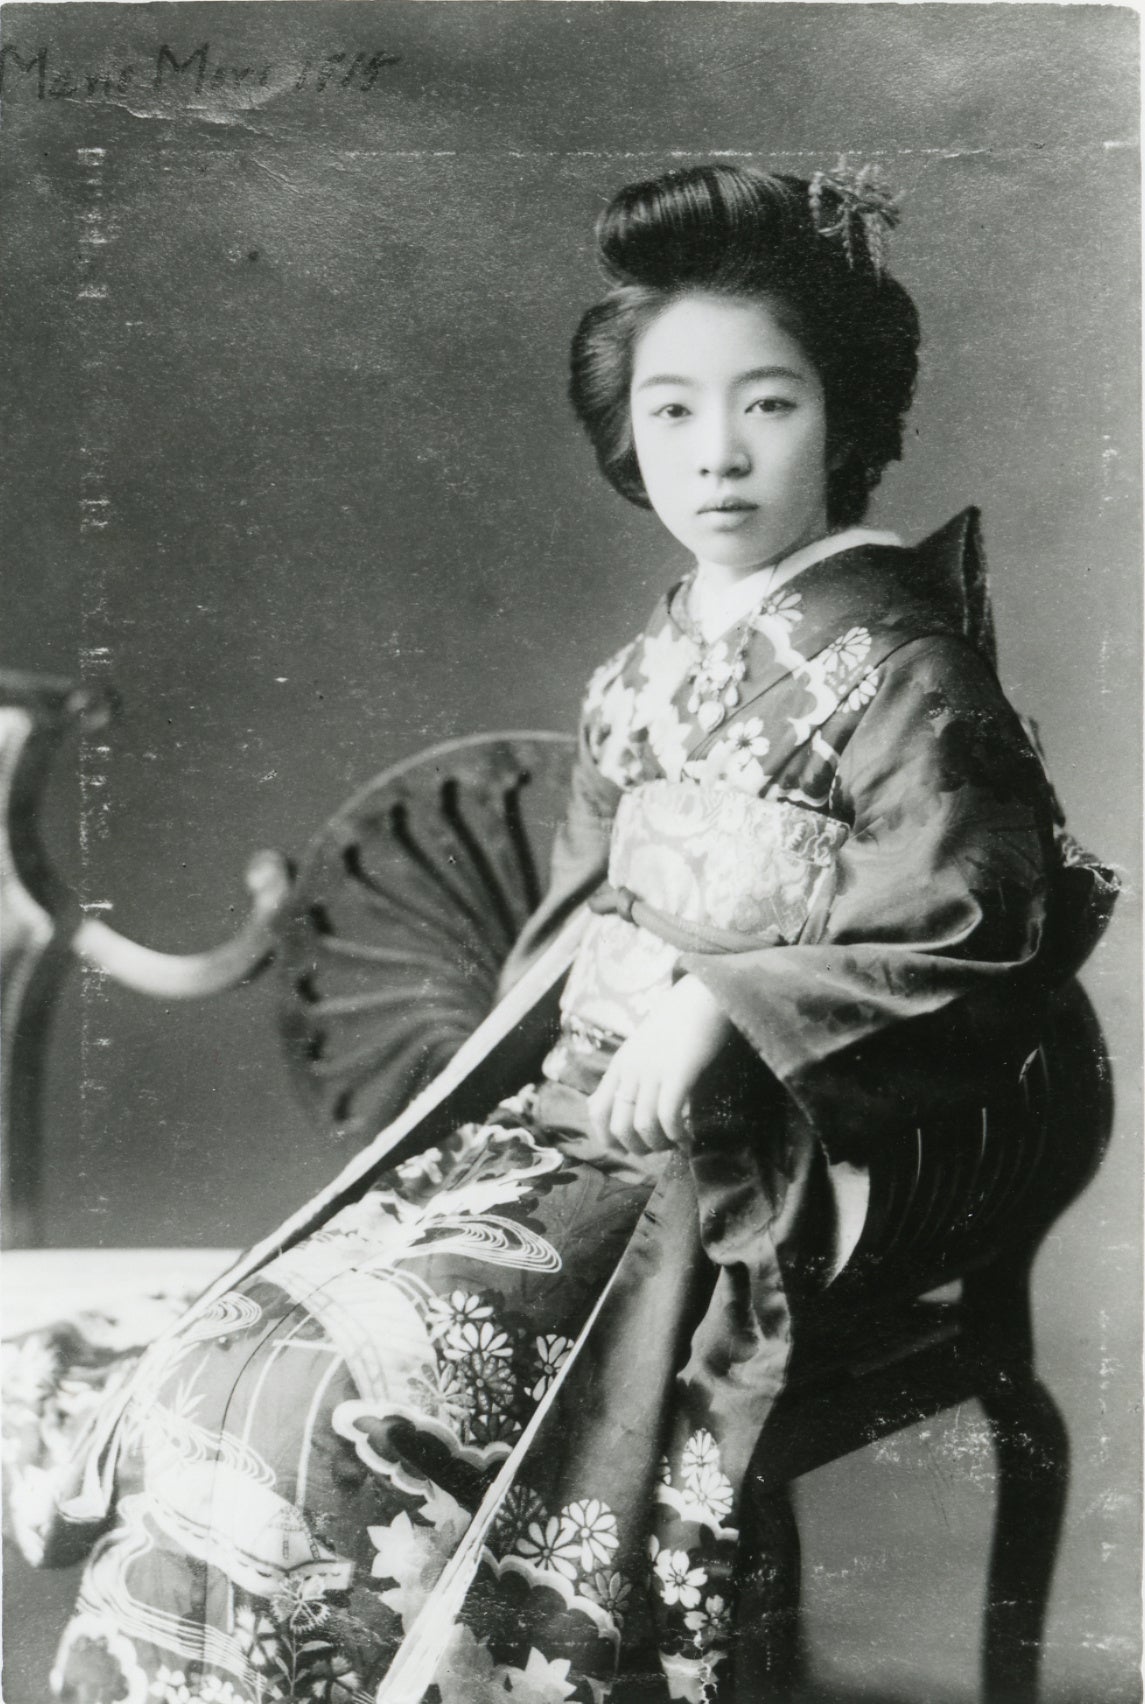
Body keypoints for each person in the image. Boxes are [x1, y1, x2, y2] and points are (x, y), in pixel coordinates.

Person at [6, 161, 1115, 1704]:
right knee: (224, 1356)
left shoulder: (906, 666)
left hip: (743, 1172)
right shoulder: (641, 667)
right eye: (671, 410)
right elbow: (572, 929)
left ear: (844, 416)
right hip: (580, 1130)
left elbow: (981, 911)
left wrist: (721, 1004)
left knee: (350, 1383)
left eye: (768, 403)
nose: (716, 452)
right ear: (625, 435)